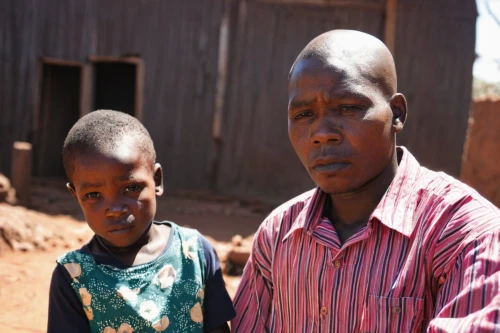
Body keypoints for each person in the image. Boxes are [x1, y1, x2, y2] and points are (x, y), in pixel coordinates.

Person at [231, 30, 500, 332]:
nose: (322, 133)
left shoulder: (465, 234)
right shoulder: (277, 235)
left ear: (396, 114)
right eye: (304, 114)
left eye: (348, 107)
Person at [47, 110, 235, 333]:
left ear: (156, 180)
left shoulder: (194, 254)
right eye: (94, 195)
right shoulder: (73, 277)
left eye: (131, 188)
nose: (115, 209)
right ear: (75, 195)